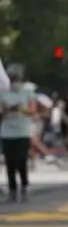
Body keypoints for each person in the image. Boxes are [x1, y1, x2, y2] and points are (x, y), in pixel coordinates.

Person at [0, 65, 36, 202]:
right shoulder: (3, 92)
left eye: (16, 78)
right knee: (9, 162)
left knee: (21, 159)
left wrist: (21, 109)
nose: (14, 81)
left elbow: (32, 110)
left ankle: (24, 185)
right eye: (12, 78)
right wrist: (6, 110)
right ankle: (12, 189)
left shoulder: (28, 91)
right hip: (7, 131)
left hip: (22, 131)